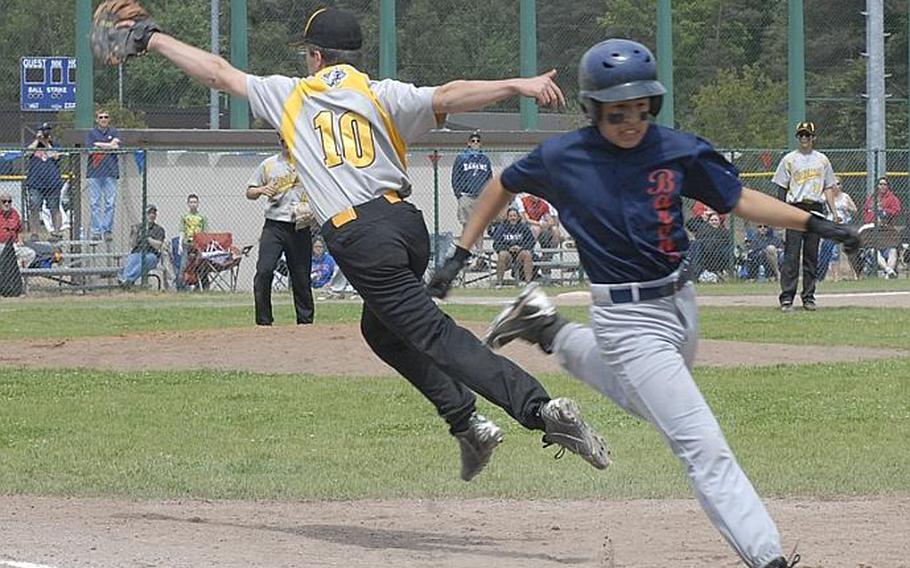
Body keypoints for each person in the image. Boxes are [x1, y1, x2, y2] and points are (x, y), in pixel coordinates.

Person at [102, 4, 610, 481]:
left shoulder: (293, 93)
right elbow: (450, 94)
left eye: (307, 53)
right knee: (382, 331)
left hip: (361, 238)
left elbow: (216, 71)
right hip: (405, 226)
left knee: (435, 335)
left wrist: (155, 38)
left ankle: (540, 410)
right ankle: (467, 424)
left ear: (317, 57)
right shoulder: (382, 93)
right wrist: (517, 84)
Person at [430, 38, 859, 567]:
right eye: (617, 111)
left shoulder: (676, 149)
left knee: (657, 409)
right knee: (699, 442)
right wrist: (460, 250)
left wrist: (815, 222)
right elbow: (501, 183)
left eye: (640, 107)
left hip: (682, 302)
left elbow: (738, 199)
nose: (631, 120)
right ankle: (767, 556)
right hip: (627, 319)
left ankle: (548, 327)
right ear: (593, 109)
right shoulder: (566, 156)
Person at [246, 135, 314, 326]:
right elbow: (249, 192)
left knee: (301, 277)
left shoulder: (308, 162)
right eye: (282, 142)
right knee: (264, 271)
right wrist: (261, 190)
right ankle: (264, 321)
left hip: (300, 225)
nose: (286, 145)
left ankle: (306, 323)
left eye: (289, 141)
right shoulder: (269, 164)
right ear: (279, 143)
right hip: (274, 225)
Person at [772, 121, 838, 311]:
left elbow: (827, 187)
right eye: (801, 135)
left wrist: (833, 212)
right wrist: (781, 213)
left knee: (811, 256)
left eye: (807, 135)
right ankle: (787, 298)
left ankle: (808, 297)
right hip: (795, 209)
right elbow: (781, 189)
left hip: (816, 209)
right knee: (791, 256)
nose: (804, 139)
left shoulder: (822, 160)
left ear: (813, 138)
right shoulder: (789, 159)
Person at [452, 130, 493, 262]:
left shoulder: (485, 159)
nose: (475, 143)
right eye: (473, 141)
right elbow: (455, 177)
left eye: (478, 141)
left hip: (481, 197)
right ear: (468, 143)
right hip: (467, 195)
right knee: (466, 224)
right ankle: (466, 253)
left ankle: (479, 253)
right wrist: (459, 194)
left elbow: (489, 178)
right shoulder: (462, 157)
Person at [84, 109, 122, 241]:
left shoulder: (114, 132)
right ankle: (96, 231)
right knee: (95, 203)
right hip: (95, 172)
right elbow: (90, 149)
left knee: (110, 203)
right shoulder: (91, 133)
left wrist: (99, 144)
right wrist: (109, 145)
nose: (104, 119)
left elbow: (116, 147)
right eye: (101, 117)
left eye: (106, 117)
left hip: (110, 172)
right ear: (97, 120)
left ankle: (107, 230)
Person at [25, 123, 64, 238]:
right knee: (34, 207)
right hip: (35, 182)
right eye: (43, 130)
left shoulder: (55, 144)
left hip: (52, 182)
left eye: (47, 130)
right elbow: (28, 153)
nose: (45, 132)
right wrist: (38, 141)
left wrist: (46, 143)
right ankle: (34, 233)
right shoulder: (34, 144)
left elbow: (56, 156)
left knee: (54, 207)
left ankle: (56, 232)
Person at [860, 176, 902, 278]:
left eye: (885, 184)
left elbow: (897, 211)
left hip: (886, 229)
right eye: (880, 184)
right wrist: (872, 216)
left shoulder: (892, 198)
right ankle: (889, 270)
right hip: (872, 229)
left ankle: (888, 273)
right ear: (877, 186)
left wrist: (884, 212)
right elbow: (865, 213)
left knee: (892, 249)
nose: (882, 186)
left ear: (888, 186)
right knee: (873, 250)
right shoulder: (872, 198)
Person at [817, 177, 857, 282]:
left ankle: (854, 274)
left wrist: (847, 207)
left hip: (845, 224)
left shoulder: (845, 197)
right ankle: (835, 276)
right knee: (832, 250)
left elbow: (855, 209)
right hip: (831, 224)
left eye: (838, 184)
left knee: (849, 249)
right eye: (833, 184)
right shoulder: (827, 195)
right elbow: (818, 200)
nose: (836, 186)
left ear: (841, 186)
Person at [119, 204, 165, 288]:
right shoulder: (138, 227)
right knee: (132, 259)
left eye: (154, 213)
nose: (152, 215)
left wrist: (147, 237)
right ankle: (126, 281)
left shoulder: (159, 229)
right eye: (149, 213)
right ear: (145, 215)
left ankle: (127, 280)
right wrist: (135, 234)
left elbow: (158, 245)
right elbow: (132, 245)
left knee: (146, 260)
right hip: (138, 252)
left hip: (152, 255)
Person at [491, 206, 536, 286]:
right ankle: (499, 283)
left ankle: (528, 283)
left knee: (527, 254)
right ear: (507, 217)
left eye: (514, 216)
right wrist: (508, 248)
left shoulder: (524, 227)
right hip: (508, 254)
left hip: (520, 253)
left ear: (518, 217)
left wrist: (521, 248)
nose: (513, 218)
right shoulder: (502, 228)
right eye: (511, 216)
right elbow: (496, 244)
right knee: (502, 254)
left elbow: (531, 242)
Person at [685, 206, 732, 282]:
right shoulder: (702, 227)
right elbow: (689, 224)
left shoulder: (723, 231)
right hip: (703, 253)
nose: (714, 221)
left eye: (716, 220)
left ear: (719, 221)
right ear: (708, 221)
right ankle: (695, 275)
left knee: (697, 244)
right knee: (695, 243)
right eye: (712, 220)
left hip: (717, 255)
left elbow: (727, 244)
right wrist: (701, 218)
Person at [177, 193, 207, 289]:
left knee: (200, 265)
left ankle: (201, 285)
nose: (193, 204)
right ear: (188, 204)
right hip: (187, 243)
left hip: (198, 244)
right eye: (191, 202)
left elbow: (205, 232)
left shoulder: (202, 217)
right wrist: (180, 245)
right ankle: (181, 287)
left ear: (198, 204)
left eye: (195, 202)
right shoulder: (184, 216)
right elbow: (182, 231)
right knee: (184, 265)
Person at [0, 192, 36, 268]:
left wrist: (20, 241)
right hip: (1, 245)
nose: (7, 204)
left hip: (14, 245)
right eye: (4, 201)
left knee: (31, 253)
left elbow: (19, 230)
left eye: (9, 201)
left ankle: (18, 273)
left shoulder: (14, 213)